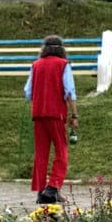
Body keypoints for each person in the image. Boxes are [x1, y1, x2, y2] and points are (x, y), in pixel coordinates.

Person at [24, 35, 77, 205]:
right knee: (61, 151)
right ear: (61, 49)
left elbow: (28, 92)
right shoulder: (63, 65)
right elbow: (69, 91)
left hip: (38, 114)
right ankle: (53, 187)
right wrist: (74, 114)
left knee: (41, 154)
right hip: (56, 114)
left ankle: (41, 191)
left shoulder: (36, 65)